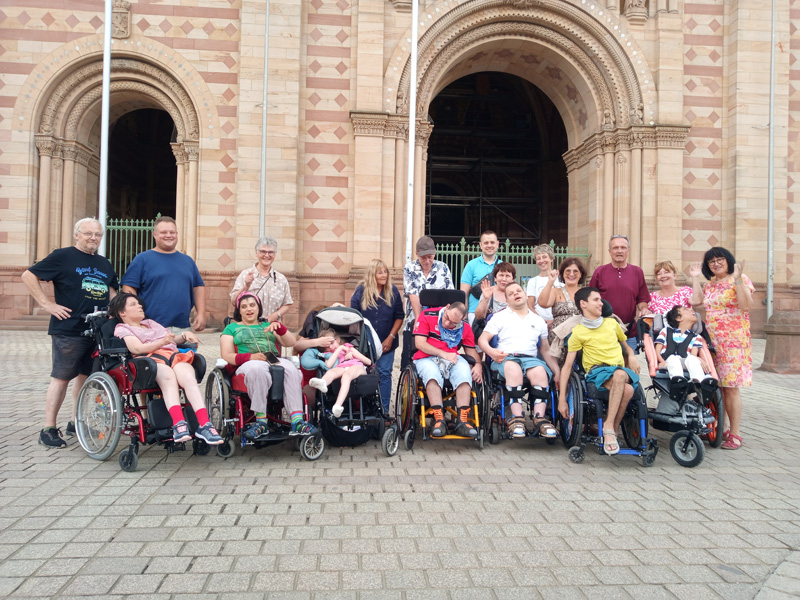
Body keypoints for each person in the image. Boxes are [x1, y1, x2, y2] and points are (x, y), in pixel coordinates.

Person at [21, 218, 119, 448]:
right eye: (88, 233)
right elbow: (28, 275)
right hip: (69, 329)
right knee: (61, 378)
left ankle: (76, 422)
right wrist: (47, 304)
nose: (93, 238)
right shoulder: (63, 256)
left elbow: (112, 293)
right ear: (77, 235)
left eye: (97, 234)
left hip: (97, 331)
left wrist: (115, 318)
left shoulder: (104, 263)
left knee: (85, 377)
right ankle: (48, 429)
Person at [109, 293, 223, 445]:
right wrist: (161, 343)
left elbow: (171, 339)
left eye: (138, 303)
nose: (140, 306)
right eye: (133, 304)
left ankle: (205, 425)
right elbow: (137, 348)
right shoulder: (122, 328)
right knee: (169, 377)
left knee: (188, 377)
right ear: (122, 312)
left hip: (173, 355)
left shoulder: (150, 323)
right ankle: (178, 424)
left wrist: (185, 335)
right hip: (149, 361)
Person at [220, 292, 318, 439]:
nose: (249, 309)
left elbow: (291, 342)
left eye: (252, 305)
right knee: (258, 369)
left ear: (258, 308)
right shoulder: (231, 328)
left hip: (272, 359)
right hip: (248, 362)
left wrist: (280, 329)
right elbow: (226, 354)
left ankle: (297, 421)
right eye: (244, 306)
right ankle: (261, 422)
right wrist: (250, 357)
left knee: (291, 369)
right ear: (239, 311)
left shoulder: (268, 325)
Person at [558, 287, 641, 455]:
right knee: (626, 386)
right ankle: (611, 428)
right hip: (597, 372)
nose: (601, 303)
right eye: (596, 300)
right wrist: (562, 400)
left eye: (600, 300)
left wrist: (631, 356)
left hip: (618, 369)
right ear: (583, 304)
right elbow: (567, 366)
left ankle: (610, 428)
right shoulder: (578, 332)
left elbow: (626, 347)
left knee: (623, 379)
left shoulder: (612, 324)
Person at [689, 247, 754, 450]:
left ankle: (735, 433)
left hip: (733, 342)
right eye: (712, 261)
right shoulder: (710, 284)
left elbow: (746, 305)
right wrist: (695, 278)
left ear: (728, 261)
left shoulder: (740, 279)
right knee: (716, 386)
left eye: (720, 259)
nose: (716, 263)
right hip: (712, 342)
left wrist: (738, 280)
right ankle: (721, 428)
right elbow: (696, 301)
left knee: (731, 388)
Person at [477, 282, 561, 438]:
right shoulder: (499, 317)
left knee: (540, 372)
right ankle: (517, 418)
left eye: (518, 291)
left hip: (530, 359)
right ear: (507, 301)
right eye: (511, 293)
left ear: (525, 295)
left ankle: (539, 418)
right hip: (506, 358)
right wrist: (492, 352)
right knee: (513, 369)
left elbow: (545, 349)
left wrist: (556, 371)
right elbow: (482, 340)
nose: (515, 294)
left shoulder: (538, 320)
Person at [120, 216, 206, 331]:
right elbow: (128, 288)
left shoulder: (188, 261)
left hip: (182, 327)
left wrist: (201, 313)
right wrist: (135, 317)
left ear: (177, 234)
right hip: (149, 327)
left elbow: (198, 287)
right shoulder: (142, 259)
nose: (168, 235)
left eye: (172, 232)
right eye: (163, 232)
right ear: (155, 235)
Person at [413, 301, 483, 438]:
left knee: (464, 372)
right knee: (431, 374)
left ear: (461, 320)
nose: (447, 324)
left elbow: (471, 351)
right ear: (447, 308)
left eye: (453, 323)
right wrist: (443, 354)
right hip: (426, 357)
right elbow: (419, 343)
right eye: (447, 318)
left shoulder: (465, 327)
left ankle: (462, 421)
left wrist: (478, 365)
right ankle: (439, 419)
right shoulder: (427, 315)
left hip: (451, 358)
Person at [350, 259, 403, 411]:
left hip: (387, 343)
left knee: (385, 374)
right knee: (365, 375)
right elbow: (354, 317)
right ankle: (365, 410)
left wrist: (391, 337)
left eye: (385, 272)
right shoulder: (361, 291)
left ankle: (384, 411)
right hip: (365, 344)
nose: (384, 275)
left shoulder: (393, 291)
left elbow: (399, 316)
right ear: (372, 274)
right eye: (380, 272)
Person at [401, 236, 454, 370]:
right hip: (415, 319)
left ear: (435, 253)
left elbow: (449, 295)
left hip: (438, 322)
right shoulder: (410, 268)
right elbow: (413, 295)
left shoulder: (443, 268)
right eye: (423, 258)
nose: (427, 261)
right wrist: (419, 321)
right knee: (408, 358)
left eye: (430, 257)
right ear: (417, 254)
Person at [589, 235, 650, 350]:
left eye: (623, 247)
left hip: (629, 332)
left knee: (630, 360)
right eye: (615, 248)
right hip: (604, 330)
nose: (619, 251)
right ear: (609, 251)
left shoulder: (637, 272)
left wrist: (644, 309)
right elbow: (590, 299)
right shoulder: (599, 272)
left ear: (628, 251)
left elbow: (642, 299)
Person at [306, 329, 372, 418]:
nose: (331, 347)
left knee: (346, 376)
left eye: (332, 343)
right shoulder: (328, 354)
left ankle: (338, 405)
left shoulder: (349, 348)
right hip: (342, 367)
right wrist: (339, 348)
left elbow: (368, 362)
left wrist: (351, 353)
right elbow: (328, 365)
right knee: (331, 372)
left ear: (338, 340)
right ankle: (323, 382)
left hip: (357, 366)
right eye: (327, 346)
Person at [229, 236, 293, 323]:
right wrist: (246, 286)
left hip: (272, 327)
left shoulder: (281, 279)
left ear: (275, 254)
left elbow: (287, 303)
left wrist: (276, 315)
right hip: (249, 327)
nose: (267, 255)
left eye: (270, 252)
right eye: (263, 251)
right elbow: (234, 301)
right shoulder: (245, 275)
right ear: (256, 253)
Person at [655, 305, 716, 392]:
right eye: (686, 309)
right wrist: (661, 361)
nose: (692, 311)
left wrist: (699, 359)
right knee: (673, 358)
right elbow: (657, 351)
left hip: (685, 362)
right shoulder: (666, 331)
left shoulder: (696, 337)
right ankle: (678, 382)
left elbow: (693, 355)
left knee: (691, 359)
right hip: (668, 361)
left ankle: (699, 383)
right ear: (678, 318)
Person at [538, 257, 586, 366]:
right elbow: (542, 303)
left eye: (575, 271)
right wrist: (550, 282)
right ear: (562, 274)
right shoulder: (556, 291)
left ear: (581, 274)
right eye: (568, 271)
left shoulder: (585, 293)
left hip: (580, 337)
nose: (571, 274)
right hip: (558, 338)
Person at [459, 230, 500, 323]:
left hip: (498, 313)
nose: (489, 245)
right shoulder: (471, 265)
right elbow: (464, 292)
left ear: (497, 244)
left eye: (492, 242)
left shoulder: (503, 266)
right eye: (486, 243)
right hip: (474, 313)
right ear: (481, 245)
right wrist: (464, 315)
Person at [526, 244, 562, 324]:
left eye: (544, 257)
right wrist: (542, 321)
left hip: (559, 323)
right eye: (538, 258)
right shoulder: (532, 281)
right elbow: (530, 306)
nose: (541, 261)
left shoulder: (561, 279)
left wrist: (554, 321)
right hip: (539, 323)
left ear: (551, 258)